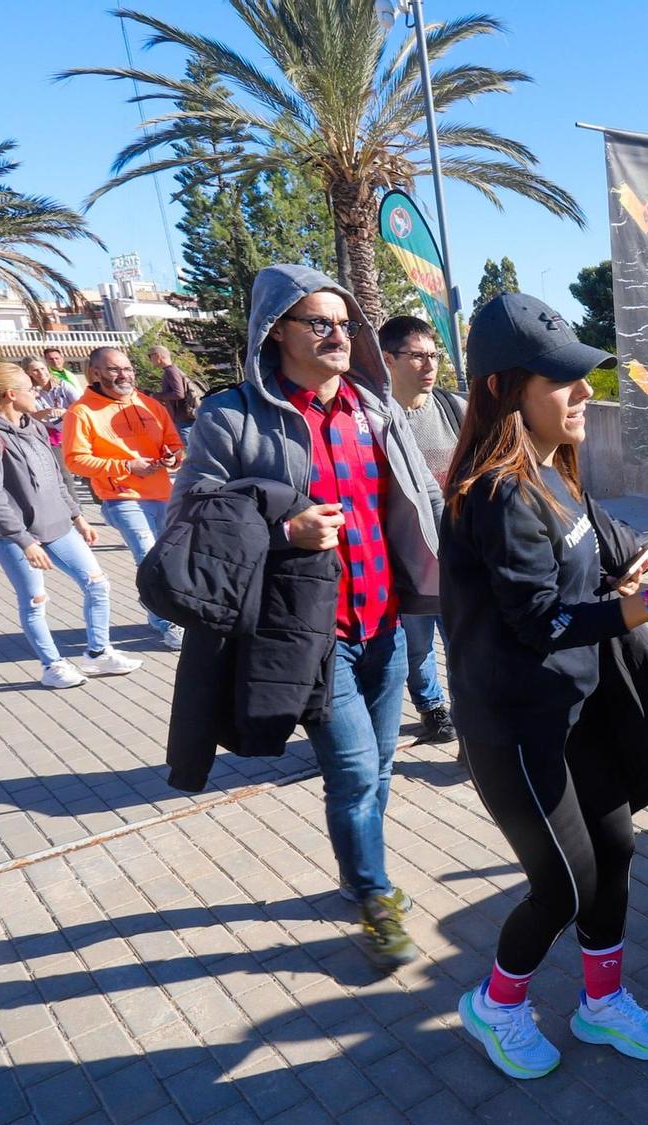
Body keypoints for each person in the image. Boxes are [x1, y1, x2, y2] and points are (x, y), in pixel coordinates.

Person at [443, 293, 648, 1080]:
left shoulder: (554, 471)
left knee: (617, 849)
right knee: (562, 886)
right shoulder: (493, 491)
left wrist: (631, 567)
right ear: (505, 389)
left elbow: (601, 545)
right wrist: (646, 605)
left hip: (578, 709)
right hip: (516, 727)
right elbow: (538, 622)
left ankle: (601, 1005)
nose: (585, 395)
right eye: (563, 381)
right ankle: (495, 1005)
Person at [173, 263, 445, 970]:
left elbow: (422, 502)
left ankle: (362, 867)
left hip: (385, 623)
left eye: (344, 323)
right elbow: (194, 513)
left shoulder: (373, 409)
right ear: (277, 331)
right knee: (354, 772)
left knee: (380, 766)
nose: (336, 334)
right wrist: (283, 529)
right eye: (318, 322)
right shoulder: (232, 414)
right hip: (310, 634)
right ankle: (374, 892)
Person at [0, 362, 141, 688]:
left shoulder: (34, 426)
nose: (36, 395)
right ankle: (52, 666)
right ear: (11, 395)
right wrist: (24, 541)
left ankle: (98, 653)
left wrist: (77, 516)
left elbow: (58, 478)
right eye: (30, 390)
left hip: (60, 526)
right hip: (16, 537)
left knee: (97, 584)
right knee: (35, 602)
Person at [62, 347, 187, 649]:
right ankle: (166, 622)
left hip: (163, 494)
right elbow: (75, 460)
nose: (124, 375)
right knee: (148, 558)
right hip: (123, 498)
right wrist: (126, 466)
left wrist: (173, 458)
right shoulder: (81, 412)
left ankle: (173, 613)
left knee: (172, 557)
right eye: (114, 369)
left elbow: (174, 443)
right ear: (95, 373)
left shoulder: (149, 404)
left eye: (127, 368)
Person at [378, 314, 463, 744]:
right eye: (417, 356)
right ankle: (432, 707)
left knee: (463, 639)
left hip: (457, 552)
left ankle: (468, 711)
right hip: (407, 559)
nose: (429, 366)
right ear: (388, 359)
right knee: (417, 644)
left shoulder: (451, 408)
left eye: (433, 355)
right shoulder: (374, 418)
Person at [148, 344, 198, 435]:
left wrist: (155, 396)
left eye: (150, 356)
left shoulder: (170, 371)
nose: (150, 360)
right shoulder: (172, 370)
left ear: (157, 356)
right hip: (184, 419)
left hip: (183, 420)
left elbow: (179, 394)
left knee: (191, 448)